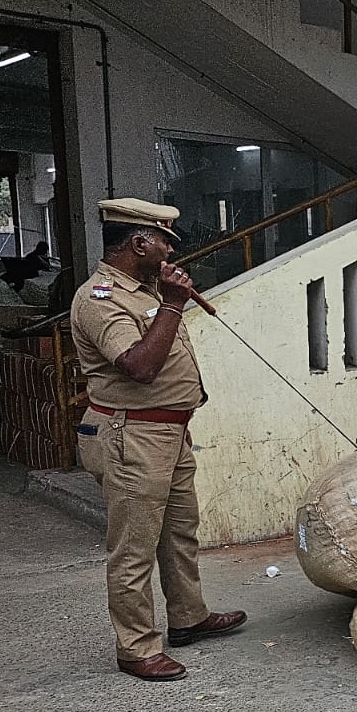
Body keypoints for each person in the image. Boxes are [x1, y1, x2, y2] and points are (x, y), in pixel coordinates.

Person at [70, 198, 247, 682]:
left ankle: (188, 617)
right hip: (134, 433)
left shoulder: (145, 290)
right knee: (134, 547)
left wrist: (165, 300)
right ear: (139, 243)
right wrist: (172, 304)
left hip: (170, 431)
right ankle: (136, 647)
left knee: (179, 534)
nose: (170, 249)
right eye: (164, 240)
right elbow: (140, 367)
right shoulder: (100, 298)